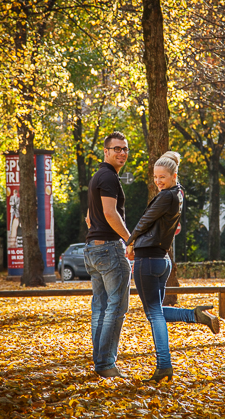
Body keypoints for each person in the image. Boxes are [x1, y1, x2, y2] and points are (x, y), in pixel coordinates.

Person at [125, 151, 220, 383]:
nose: (158, 181)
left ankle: (164, 366)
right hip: (161, 260)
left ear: (174, 175)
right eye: (155, 177)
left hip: (148, 260)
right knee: (156, 310)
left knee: (154, 314)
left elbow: (146, 220)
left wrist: (130, 241)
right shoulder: (176, 194)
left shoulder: (168, 196)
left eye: (163, 177)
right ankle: (195, 315)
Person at [84, 131, 133, 378]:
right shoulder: (109, 177)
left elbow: (88, 217)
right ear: (106, 151)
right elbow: (111, 213)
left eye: (125, 149)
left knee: (101, 308)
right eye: (117, 149)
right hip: (110, 250)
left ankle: (101, 363)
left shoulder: (97, 178)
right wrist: (130, 240)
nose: (122, 153)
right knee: (115, 308)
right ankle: (105, 365)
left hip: (93, 249)